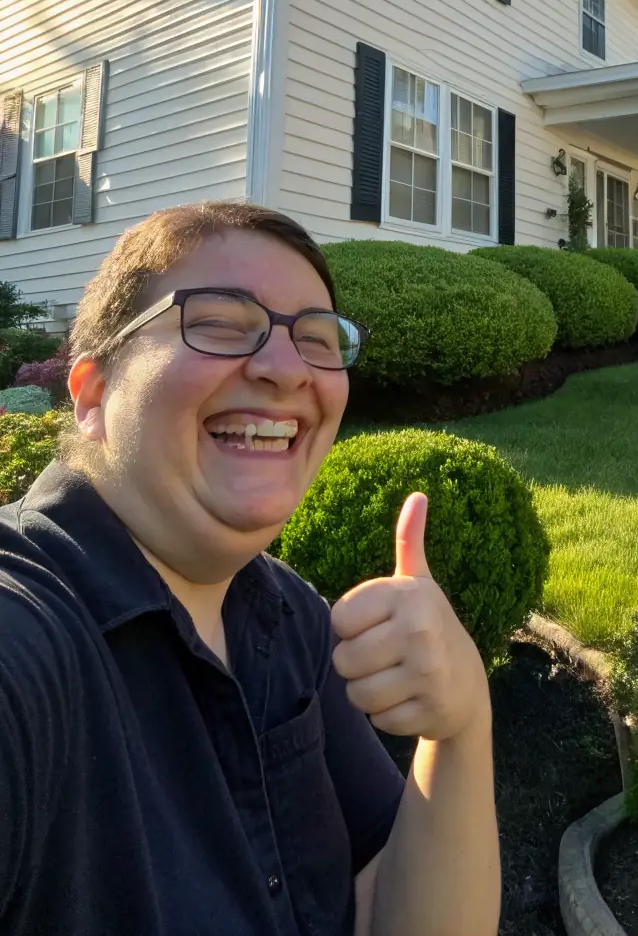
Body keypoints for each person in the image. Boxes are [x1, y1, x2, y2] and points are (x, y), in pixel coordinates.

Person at [0, 202, 500, 936]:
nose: (286, 368)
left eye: (318, 340)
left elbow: (396, 913)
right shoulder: (30, 629)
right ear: (93, 394)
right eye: (221, 323)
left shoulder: (287, 612)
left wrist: (461, 729)